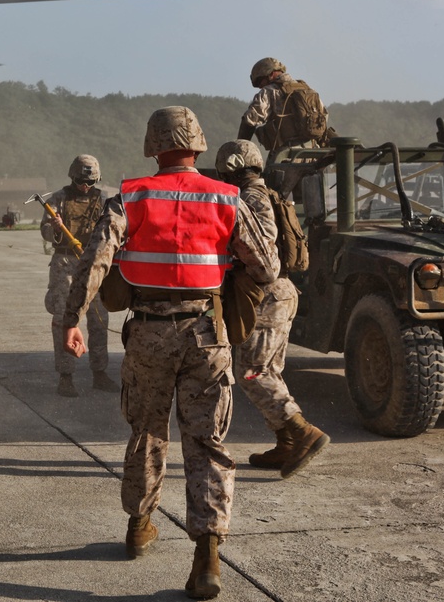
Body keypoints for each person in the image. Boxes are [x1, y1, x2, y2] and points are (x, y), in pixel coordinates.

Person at [63, 107, 277, 599]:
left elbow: (96, 259)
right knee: (207, 443)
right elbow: (266, 266)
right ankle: (207, 558)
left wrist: (72, 318)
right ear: (199, 146)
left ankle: (140, 527)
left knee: (147, 432)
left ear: (153, 147)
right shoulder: (228, 198)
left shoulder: (131, 197)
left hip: (148, 335)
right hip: (208, 334)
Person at [215, 139, 330, 479]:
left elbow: (264, 257)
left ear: (232, 168)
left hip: (267, 292)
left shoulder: (250, 198)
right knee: (269, 370)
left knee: (253, 372)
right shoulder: (269, 193)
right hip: (280, 292)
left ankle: (302, 431)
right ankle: (286, 443)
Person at [40, 155, 119, 397]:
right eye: (80, 181)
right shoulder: (58, 199)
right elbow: (44, 230)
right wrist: (53, 228)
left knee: (98, 319)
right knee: (65, 320)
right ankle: (66, 376)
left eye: (90, 182)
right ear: (72, 177)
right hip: (65, 263)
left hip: (92, 264)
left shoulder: (105, 200)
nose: (85, 187)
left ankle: (99, 373)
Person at [237, 57, 330, 163]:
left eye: (259, 81)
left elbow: (250, 120)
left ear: (270, 74)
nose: (260, 86)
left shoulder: (269, 91)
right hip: (313, 155)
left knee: (270, 178)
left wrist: (239, 150)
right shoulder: (308, 90)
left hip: (287, 156)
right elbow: (324, 118)